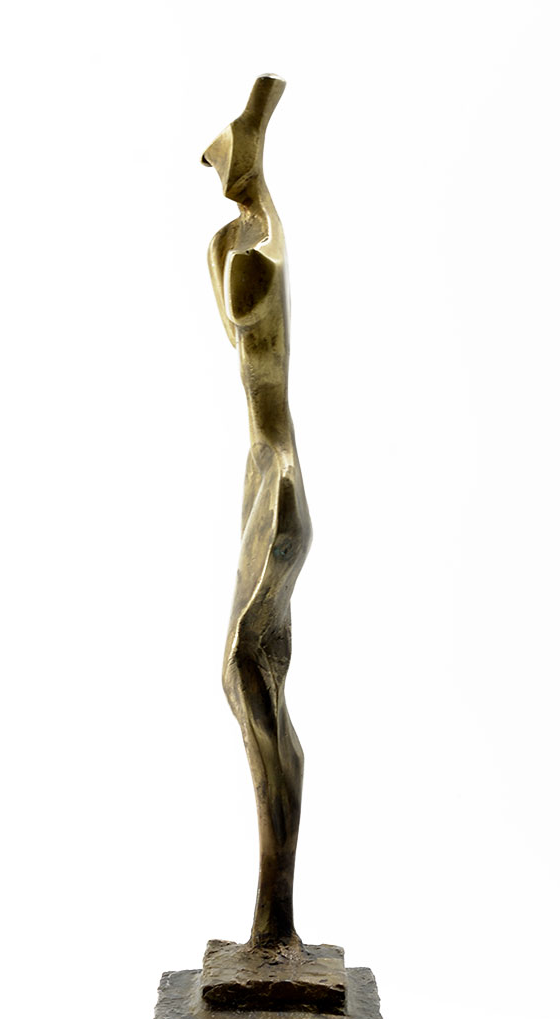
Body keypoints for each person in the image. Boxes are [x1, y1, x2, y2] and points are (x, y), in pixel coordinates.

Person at [203, 75, 312, 951]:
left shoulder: (259, 256)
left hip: (277, 477)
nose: (212, 172)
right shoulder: (232, 248)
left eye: (223, 160)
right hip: (260, 469)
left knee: (247, 667)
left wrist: (255, 144)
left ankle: (276, 918)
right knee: (251, 678)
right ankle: (271, 919)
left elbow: (250, 252)